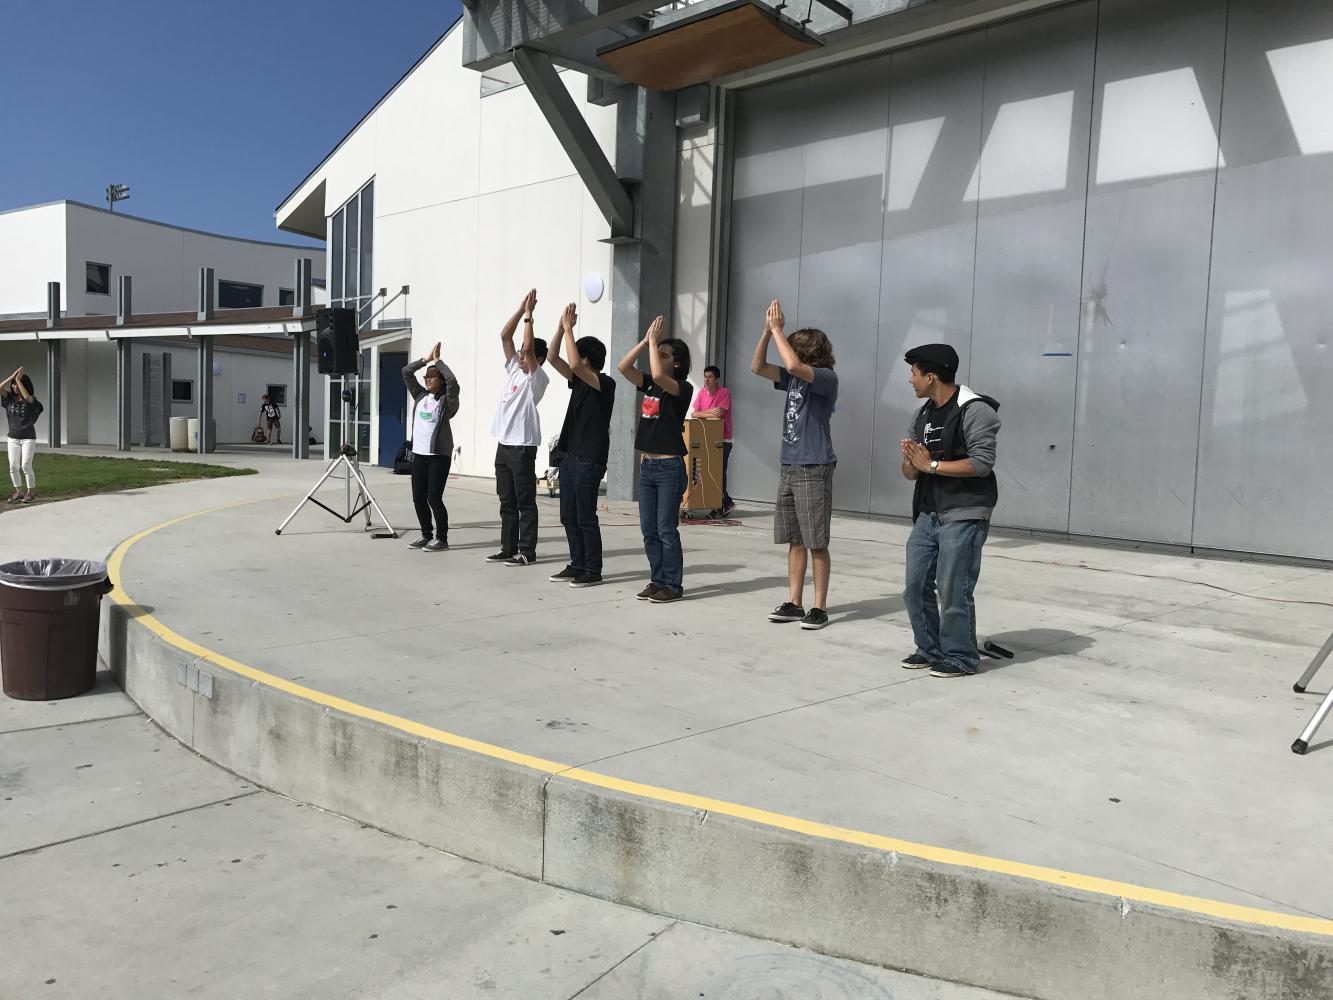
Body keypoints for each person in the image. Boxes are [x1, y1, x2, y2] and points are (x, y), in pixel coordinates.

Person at [899, 342, 1001, 678]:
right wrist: (913, 462)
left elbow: (982, 464)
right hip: (928, 512)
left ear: (931, 376)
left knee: (954, 588)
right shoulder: (922, 414)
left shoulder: (975, 410)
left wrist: (931, 465)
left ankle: (960, 657)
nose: (910, 380)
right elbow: (911, 472)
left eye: (914, 374)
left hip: (965, 510)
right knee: (914, 586)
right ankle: (929, 649)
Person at [751, 300, 838, 631]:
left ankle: (820, 606)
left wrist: (778, 331)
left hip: (814, 467)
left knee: (817, 540)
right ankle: (795, 602)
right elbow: (758, 367)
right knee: (795, 539)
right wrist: (766, 332)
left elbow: (791, 363)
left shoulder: (825, 378)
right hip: (789, 465)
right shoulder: (791, 379)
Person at [618, 316, 694, 604]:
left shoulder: (680, 387)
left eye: (664, 355)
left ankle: (673, 585)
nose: (656, 358)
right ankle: (657, 580)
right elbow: (623, 367)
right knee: (649, 530)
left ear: (676, 363)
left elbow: (661, 376)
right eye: (656, 353)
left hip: (669, 467)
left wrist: (653, 344)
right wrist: (645, 340)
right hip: (648, 467)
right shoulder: (650, 385)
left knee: (665, 529)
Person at [546, 303, 615, 588]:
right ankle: (576, 563)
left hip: (590, 458)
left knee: (586, 516)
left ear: (587, 359)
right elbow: (552, 357)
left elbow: (573, 363)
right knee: (568, 515)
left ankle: (592, 569)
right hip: (571, 455)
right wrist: (561, 329)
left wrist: (570, 329)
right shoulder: (578, 381)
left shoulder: (605, 383)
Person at [488, 289, 550, 567]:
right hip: (504, 444)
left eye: (527, 353)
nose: (521, 355)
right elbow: (504, 335)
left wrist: (529, 317)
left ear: (536, 358)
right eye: (522, 353)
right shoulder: (514, 369)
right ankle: (508, 547)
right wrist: (519, 308)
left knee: (525, 502)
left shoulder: (537, 378)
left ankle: (527, 551)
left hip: (522, 446)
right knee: (506, 500)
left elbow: (527, 345)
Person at [402, 342, 461, 552]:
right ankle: (426, 535)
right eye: (426, 377)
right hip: (419, 455)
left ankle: (441, 538)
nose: (427, 380)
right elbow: (406, 372)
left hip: (438, 456)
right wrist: (425, 361)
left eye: (432, 377)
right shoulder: (420, 395)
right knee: (418, 497)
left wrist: (439, 362)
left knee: (433, 497)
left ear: (441, 381)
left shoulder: (447, 401)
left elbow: (453, 381)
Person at [689, 364, 734, 516]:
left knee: (719, 473)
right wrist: (708, 412)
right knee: (708, 472)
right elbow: (694, 415)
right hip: (706, 439)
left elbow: (719, 415)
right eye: (705, 376)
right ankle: (722, 502)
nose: (706, 380)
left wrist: (704, 413)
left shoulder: (724, 393)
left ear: (717, 380)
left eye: (710, 377)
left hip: (722, 440)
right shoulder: (702, 393)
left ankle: (724, 504)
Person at [3, 369, 42, 505]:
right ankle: (18, 492)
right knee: (13, 466)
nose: (14, 387)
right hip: (12, 437)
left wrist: (19, 380)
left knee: (26, 466)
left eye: (17, 384)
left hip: (28, 438)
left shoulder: (31, 401)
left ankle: (30, 492)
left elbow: (26, 397)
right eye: (13, 385)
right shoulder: (9, 399)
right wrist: (12, 378)